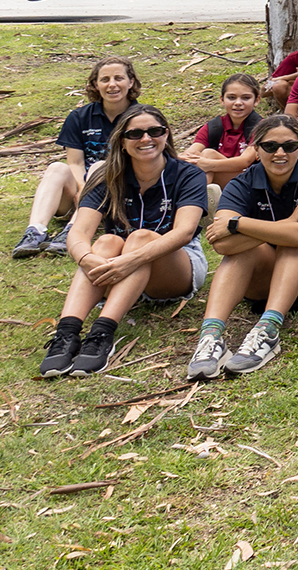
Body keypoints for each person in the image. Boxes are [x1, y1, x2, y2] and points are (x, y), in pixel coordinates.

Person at [37, 105, 207, 379]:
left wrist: (132, 259)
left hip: (175, 265)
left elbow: (184, 233)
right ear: (121, 141)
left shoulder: (187, 174)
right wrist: (86, 258)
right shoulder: (107, 178)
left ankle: (103, 333)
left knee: (139, 238)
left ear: (166, 135)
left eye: (154, 131)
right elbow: (79, 233)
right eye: (135, 133)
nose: (146, 139)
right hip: (118, 267)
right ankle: (66, 334)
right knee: (104, 241)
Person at [188, 115, 298, 380]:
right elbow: (222, 244)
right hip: (276, 270)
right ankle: (211, 337)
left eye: (289, 146)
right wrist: (291, 221)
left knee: (294, 244)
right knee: (243, 249)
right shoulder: (242, 183)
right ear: (255, 149)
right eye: (270, 146)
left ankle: (268, 331)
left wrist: (240, 223)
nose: (279, 153)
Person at [187, 73, 264, 196]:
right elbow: (190, 154)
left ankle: (194, 202)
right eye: (231, 97)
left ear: (257, 100)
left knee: (208, 154)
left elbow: (245, 161)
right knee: (202, 157)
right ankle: (204, 200)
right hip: (223, 179)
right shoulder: (214, 127)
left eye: (245, 98)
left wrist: (207, 164)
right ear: (222, 100)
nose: (238, 103)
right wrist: (192, 159)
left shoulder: (262, 127)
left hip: (251, 183)